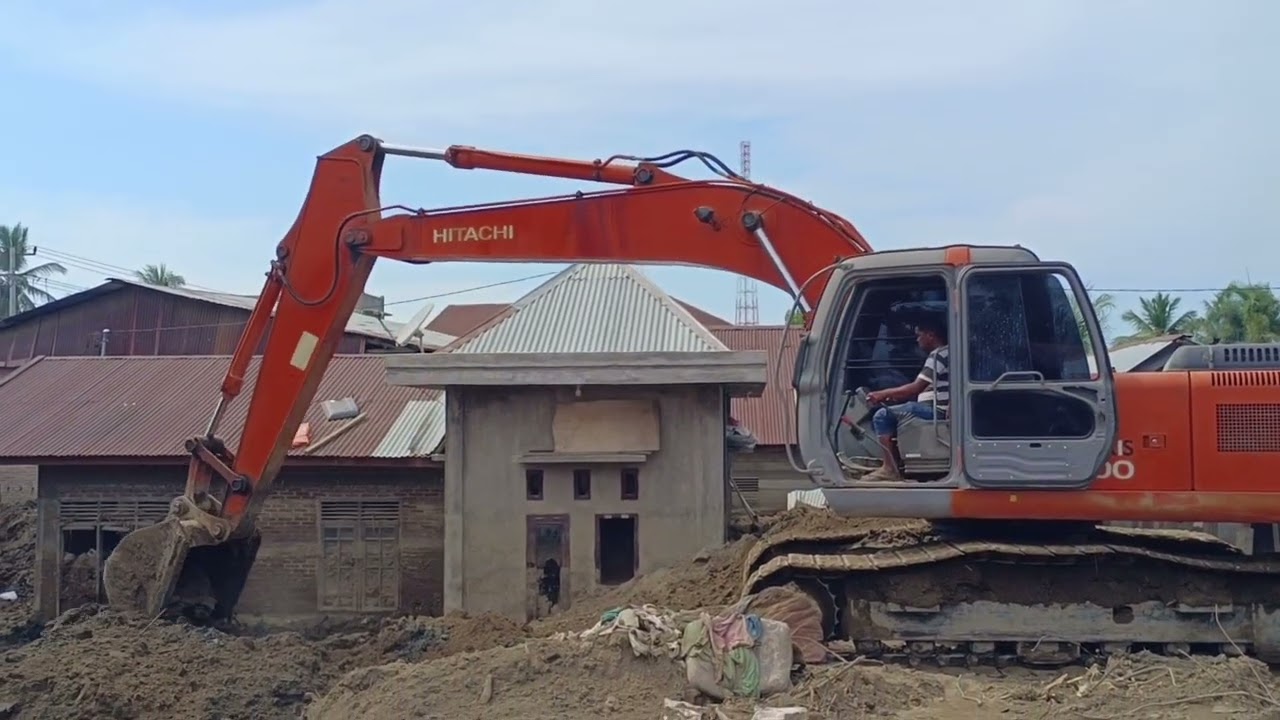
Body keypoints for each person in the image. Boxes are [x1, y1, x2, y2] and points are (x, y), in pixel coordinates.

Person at [861, 318, 949, 481]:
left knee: (882, 415)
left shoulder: (939, 355)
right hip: (936, 407)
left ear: (930, 335)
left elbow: (916, 387)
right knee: (897, 409)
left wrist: (882, 394)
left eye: (919, 335)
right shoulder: (948, 353)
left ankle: (889, 468)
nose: (917, 340)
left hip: (936, 411)